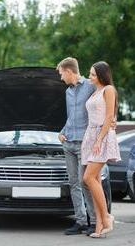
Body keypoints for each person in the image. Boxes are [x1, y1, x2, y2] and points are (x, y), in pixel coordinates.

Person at [57, 57, 97, 235]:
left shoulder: (90, 85)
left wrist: (111, 120)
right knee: (74, 183)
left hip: (84, 143)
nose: (60, 78)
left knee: (85, 182)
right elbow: (71, 117)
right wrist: (62, 131)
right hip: (69, 142)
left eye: (61, 74)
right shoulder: (68, 92)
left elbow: (107, 97)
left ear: (68, 71)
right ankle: (80, 222)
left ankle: (95, 222)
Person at [82, 61, 121, 238]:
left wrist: (99, 140)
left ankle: (107, 217)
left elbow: (109, 117)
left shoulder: (108, 90)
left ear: (101, 75)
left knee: (88, 178)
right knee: (94, 180)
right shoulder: (94, 91)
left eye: (93, 74)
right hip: (91, 136)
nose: (90, 77)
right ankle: (99, 227)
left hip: (102, 136)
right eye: (89, 74)